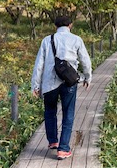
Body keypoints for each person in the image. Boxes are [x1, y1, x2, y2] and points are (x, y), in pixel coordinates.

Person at [32, 15, 92, 160]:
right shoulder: (76, 39)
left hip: (49, 83)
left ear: (55, 26)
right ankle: (63, 149)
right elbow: (85, 59)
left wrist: (35, 85)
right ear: (70, 25)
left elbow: (39, 64)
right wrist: (87, 77)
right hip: (69, 82)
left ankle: (53, 141)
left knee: (50, 111)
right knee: (68, 114)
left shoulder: (47, 40)